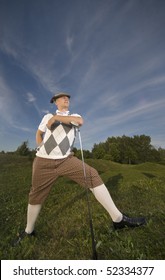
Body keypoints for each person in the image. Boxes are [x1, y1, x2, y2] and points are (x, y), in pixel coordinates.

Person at [12, 92, 146, 246]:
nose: (66, 98)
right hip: (43, 161)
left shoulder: (73, 115)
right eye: (62, 97)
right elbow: (39, 133)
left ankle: (118, 219)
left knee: (92, 175)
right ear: (55, 102)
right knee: (36, 194)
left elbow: (79, 121)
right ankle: (29, 231)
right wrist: (40, 145)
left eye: (67, 97)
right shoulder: (46, 117)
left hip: (66, 160)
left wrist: (57, 118)